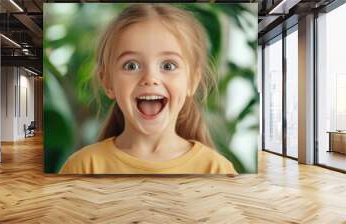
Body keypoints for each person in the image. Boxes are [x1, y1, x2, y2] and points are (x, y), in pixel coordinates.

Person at [59, 3, 237, 174]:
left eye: (168, 66)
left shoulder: (217, 169)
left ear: (192, 81)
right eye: (131, 66)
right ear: (107, 82)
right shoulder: (83, 166)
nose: (150, 79)